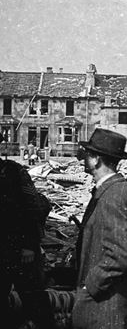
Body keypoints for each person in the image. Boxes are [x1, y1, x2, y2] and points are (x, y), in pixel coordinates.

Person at [72, 128, 127, 329]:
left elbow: (119, 254)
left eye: (88, 154)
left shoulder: (114, 195)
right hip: (105, 306)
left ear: (97, 160)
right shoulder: (111, 190)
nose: (84, 158)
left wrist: (90, 286)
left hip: (106, 308)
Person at [0, 133, 51, 328]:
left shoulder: (13, 172)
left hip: (19, 252)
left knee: (35, 300)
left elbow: (34, 207)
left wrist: (29, 245)